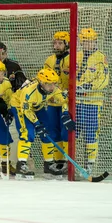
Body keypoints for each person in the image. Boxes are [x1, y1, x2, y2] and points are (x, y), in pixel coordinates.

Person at [9, 68, 64, 179]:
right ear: (42, 83)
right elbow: (27, 111)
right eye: (49, 84)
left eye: (54, 83)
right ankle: (21, 165)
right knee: (28, 132)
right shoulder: (29, 92)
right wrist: (37, 124)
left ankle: (48, 164)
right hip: (20, 106)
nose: (53, 87)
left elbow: (64, 100)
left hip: (37, 105)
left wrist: (66, 112)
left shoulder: (53, 89)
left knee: (48, 131)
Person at [75, 28, 110, 173]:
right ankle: (70, 161)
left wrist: (89, 86)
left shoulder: (101, 58)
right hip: (76, 102)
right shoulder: (76, 56)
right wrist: (75, 87)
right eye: (85, 42)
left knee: (91, 132)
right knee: (73, 132)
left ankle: (90, 164)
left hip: (93, 102)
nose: (88, 44)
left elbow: (104, 79)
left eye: (91, 41)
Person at [43, 31, 72, 173]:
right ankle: (58, 161)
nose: (56, 45)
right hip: (52, 102)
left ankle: (67, 160)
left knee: (65, 131)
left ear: (67, 44)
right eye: (55, 43)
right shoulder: (49, 60)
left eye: (60, 43)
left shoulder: (73, 59)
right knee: (53, 131)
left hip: (67, 102)